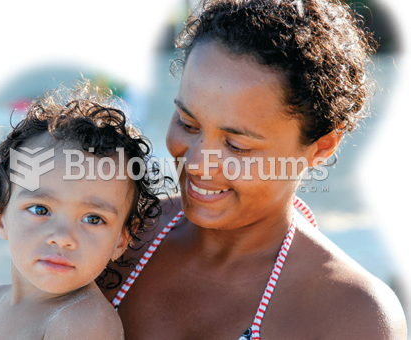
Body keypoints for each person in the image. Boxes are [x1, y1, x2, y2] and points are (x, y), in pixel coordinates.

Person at [101, 0, 408, 339]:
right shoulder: (108, 237)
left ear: (321, 147)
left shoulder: (351, 314)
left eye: (237, 146)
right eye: (188, 124)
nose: (198, 162)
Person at [0, 81, 162, 340]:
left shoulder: (83, 322)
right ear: (0, 215)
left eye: (93, 219)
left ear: (122, 238)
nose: (62, 237)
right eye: (40, 209)